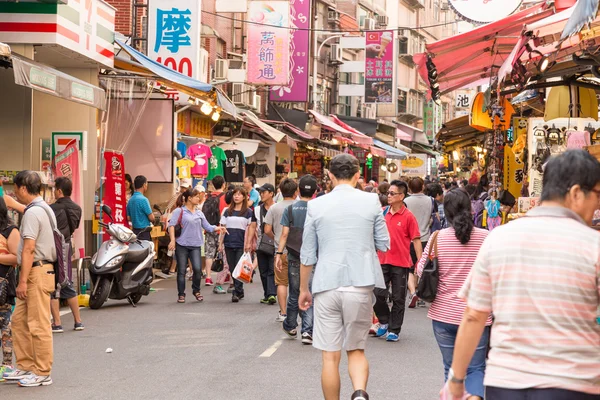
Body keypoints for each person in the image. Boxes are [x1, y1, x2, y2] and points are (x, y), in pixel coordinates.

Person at [449, 150, 600, 400]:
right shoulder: (593, 245)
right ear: (575, 193)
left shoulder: (498, 238)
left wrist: (456, 379)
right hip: (574, 383)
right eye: (597, 194)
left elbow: (474, 315)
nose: (597, 204)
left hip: (505, 383)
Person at [298, 154, 390, 400]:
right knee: (357, 349)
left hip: (326, 283)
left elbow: (307, 253)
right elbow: (384, 242)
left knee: (330, 355)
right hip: (360, 284)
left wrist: (303, 289)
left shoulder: (316, 205)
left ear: (329, 176)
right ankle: (359, 393)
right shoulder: (372, 201)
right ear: (358, 175)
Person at [417, 189, 490, 400]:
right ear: (470, 209)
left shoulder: (437, 238)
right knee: (476, 368)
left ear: (446, 212)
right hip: (478, 314)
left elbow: (422, 270)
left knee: (451, 367)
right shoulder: (485, 237)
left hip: (443, 315)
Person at [3, 171, 57, 387]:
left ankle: (42, 371)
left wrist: (22, 280)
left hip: (36, 271)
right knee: (18, 321)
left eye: (15, 189)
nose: (14, 193)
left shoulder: (34, 214)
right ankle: (26, 366)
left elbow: (29, 248)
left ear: (23, 188)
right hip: (38, 271)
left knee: (38, 324)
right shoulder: (43, 208)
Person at [373, 180, 422, 342]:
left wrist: (419, 262)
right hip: (381, 260)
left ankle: (394, 329)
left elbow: (416, 240)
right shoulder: (382, 212)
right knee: (377, 294)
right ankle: (384, 320)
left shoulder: (408, 216)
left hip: (401, 262)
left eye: (392, 194)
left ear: (401, 196)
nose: (389, 196)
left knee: (399, 298)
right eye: (388, 193)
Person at [277, 175, 317, 345]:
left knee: (294, 292)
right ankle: (307, 331)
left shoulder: (291, 209)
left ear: (298, 191)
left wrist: (279, 254)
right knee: (308, 291)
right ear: (315, 192)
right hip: (314, 256)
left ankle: (291, 325)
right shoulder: (318, 209)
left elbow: (284, 234)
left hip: (294, 255)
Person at [168, 189, 225, 303]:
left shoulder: (199, 212)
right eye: (196, 197)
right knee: (182, 270)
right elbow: (171, 225)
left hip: (195, 245)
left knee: (198, 269)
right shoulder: (179, 211)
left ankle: (196, 291)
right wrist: (172, 240)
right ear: (189, 198)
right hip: (182, 244)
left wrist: (218, 228)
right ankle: (181, 294)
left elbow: (207, 226)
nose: (199, 199)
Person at [48, 177, 83, 333]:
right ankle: (78, 321)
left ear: (59, 191)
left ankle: (57, 323)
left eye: (55, 189)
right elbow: (73, 227)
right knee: (67, 282)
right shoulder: (77, 209)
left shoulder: (52, 209)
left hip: (54, 248)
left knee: (53, 285)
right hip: (67, 247)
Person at [264, 179, 298, 322]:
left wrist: (276, 238)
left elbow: (266, 230)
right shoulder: (301, 207)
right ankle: (300, 313)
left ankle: (283, 313)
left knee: (282, 283)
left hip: (280, 251)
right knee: (298, 284)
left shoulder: (274, 208)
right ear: (296, 192)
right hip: (298, 250)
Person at [219, 187, 256, 303]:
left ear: (244, 197)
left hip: (241, 243)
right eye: (235, 194)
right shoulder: (226, 211)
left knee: (238, 268)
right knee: (231, 267)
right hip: (228, 242)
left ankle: (236, 291)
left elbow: (252, 228)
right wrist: (220, 243)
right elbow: (222, 228)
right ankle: (239, 290)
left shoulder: (248, 212)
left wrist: (249, 243)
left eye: (240, 194)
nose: (236, 196)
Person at [404, 177, 434, 307]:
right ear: (423, 186)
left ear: (409, 188)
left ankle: (412, 291)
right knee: (421, 265)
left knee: (410, 267)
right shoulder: (430, 200)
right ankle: (420, 294)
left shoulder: (406, 201)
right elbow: (431, 218)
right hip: (425, 237)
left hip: (409, 238)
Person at [0, 197, 19, 381]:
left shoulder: (10, 230)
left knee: (5, 326)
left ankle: (6, 366)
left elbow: (16, 257)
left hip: (3, 286)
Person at [203, 175, 228, 289]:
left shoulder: (208, 197)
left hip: (209, 229)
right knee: (222, 253)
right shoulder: (225, 198)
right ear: (224, 184)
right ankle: (222, 275)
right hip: (221, 229)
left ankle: (208, 277)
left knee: (209, 253)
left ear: (212, 184)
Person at [255, 183, 277, 305]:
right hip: (261, 243)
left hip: (275, 243)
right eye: (260, 192)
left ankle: (272, 294)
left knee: (271, 269)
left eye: (264, 192)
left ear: (271, 193)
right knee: (263, 270)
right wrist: (248, 243)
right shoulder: (257, 209)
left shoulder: (278, 207)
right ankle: (267, 294)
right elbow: (253, 226)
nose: (261, 194)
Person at [126, 175, 153, 241]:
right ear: (144, 185)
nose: (147, 186)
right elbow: (151, 218)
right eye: (147, 184)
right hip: (144, 232)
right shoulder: (144, 200)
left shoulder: (130, 200)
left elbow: (128, 218)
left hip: (134, 231)